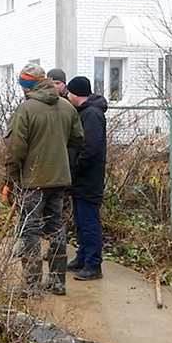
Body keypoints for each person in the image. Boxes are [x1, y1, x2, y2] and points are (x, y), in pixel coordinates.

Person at [3, 63, 84, 296]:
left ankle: (31, 286)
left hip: (32, 182)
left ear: (27, 86)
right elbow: (78, 139)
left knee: (31, 232)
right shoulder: (67, 107)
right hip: (59, 179)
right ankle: (57, 282)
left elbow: (15, 149)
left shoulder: (25, 109)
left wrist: (10, 180)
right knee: (56, 229)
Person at [65, 76, 108, 281]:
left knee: (89, 221)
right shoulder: (85, 112)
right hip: (81, 178)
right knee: (81, 220)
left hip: (88, 178)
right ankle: (82, 256)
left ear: (74, 93)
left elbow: (91, 147)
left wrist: (76, 167)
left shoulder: (91, 114)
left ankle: (93, 263)